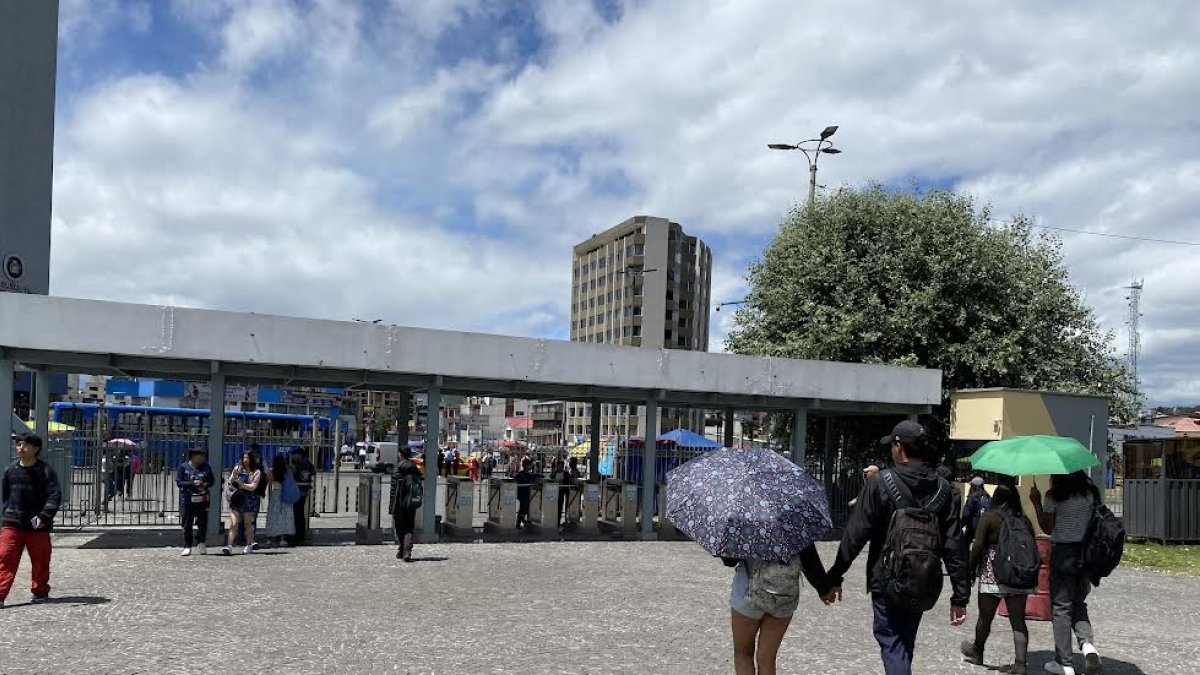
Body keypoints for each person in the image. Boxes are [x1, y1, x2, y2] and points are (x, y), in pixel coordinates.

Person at [824, 420, 970, 675]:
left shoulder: (881, 482)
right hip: (924, 579)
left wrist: (836, 575)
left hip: (886, 578)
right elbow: (954, 544)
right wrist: (960, 596)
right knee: (904, 643)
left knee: (891, 642)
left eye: (892, 444)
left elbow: (855, 534)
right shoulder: (944, 490)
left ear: (899, 446)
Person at [1031, 471, 1103, 675]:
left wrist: (1036, 502)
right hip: (1085, 554)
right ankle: (1087, 645)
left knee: (1061, 607)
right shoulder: (1090, 493)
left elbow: (1047, 527)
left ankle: (1064, 662)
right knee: (1079, 602)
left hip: (1063, 553)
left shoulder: (1055, 495)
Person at [725, 545, 836, 675]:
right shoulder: (794, 524)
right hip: (783, 592)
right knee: (767, 658)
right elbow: (807, 553)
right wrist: (823, 588)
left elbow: (729, 560)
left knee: (743, 654)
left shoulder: (744, 525)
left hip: (747, 590)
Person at [960, 484, 1033, 673]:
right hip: (1017, 574)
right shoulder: (1024, 520)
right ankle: (1020, 663)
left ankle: (978, 651)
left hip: (993, 573)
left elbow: (977, 546)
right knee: (1018, 621)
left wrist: (970, 570)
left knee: (985, 617)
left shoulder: (990, 518)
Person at [0, 435, 62, 607]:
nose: (21, 448)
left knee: (40, 559)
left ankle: (40, 591)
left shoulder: (45, 471)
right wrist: (7, 513)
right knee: (5, 558)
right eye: (18, 444)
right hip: (12, 523)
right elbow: (6, 495)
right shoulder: (10, 470)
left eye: (25, 445)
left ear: (36, 449)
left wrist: (43, 516)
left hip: (37, 523)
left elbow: (54, 496)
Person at [175, 448, 214, 557]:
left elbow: (211, 481)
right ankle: (187, 545)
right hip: (188, 499)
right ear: (193, 456)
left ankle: (201, 542)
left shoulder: (206, 467)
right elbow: (179, 482)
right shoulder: (183, 467)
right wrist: (192, 483)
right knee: (187, 523)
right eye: (200, 456)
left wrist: (204, 484)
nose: (202, 458)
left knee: (202, 522)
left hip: (203, 499)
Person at [222, 452, 263, 556]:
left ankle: (249, 544)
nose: (245, 460)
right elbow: (230, 481)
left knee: (247, 523)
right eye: (244, 458)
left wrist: (243, 485)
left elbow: (253, 486)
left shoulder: (256, 472)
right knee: (234, 523)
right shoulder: (238, 468)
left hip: (248, 499)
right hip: (237, 498)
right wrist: (235, 474)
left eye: (247, 458)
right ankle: (229, 546)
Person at [388, 447, 423, 562]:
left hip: (399, 502)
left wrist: (391, 505)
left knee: (399, 526)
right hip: (410, 501)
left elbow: (394, 489)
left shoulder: (397, 469)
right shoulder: (413, 467)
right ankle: (406, 550)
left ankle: (402, 548)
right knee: (409, 525)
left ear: (400, 454)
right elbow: (420, 479)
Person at [263, 455, 296, 548]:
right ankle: (283, 539)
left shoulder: (272, 472)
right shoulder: (288, 471)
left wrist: (269, 495)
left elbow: (269, 484)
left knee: (273, 516)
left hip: (275, 494)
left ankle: (270, 538)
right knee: (284, 517)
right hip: (285, 494)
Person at [288, 449, 316, 546]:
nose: (293, 457)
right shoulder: (308, 464)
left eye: (294, 454)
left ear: (299, 455)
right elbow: (313, 472)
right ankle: (301, 535)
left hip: (297, 490)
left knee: (296, 514)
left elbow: (292, 473)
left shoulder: (298, 464)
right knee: (300, 514)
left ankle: (296, 536)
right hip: (305, 490)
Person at [962, 477, 991, 548]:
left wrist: (962, 524)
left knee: (964, 546)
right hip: (984, 528)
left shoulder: (972, 498)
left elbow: (966, 514)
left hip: (972, 528)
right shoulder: (988, 497)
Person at [514, 458, 537, 529]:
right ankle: (518, 523)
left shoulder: (521, 473)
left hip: (521, 493)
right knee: (523, 508)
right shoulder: (527, 474)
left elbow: (515, 478)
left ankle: (522, 519)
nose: (531, 467)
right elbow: (535, 476)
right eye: (530, 465)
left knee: (524, 508)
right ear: (527, 466)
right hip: (525, 493)